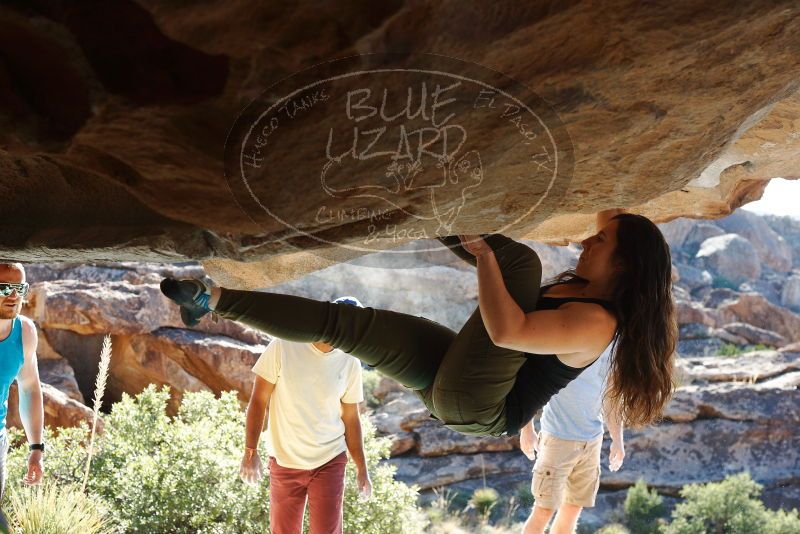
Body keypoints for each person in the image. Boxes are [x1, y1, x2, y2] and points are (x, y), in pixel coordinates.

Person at [161, 208, 676, 438]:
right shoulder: (584, 293)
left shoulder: (597, 323)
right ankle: (211, 299)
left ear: (626, 265)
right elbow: (615, 211)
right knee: (347, 325)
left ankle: (433, 204)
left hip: (480, 405)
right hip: (459, 385)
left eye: (600, 242)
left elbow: (507, 333)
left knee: (520, 264)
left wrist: (485, 257)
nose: (587, 241)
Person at [238, 296, 372, 534]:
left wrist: (362, 468)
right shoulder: (284, 345)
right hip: (285, 460)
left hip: (329, 459)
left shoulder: (350, 360)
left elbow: (351, 418)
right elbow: (259, 401)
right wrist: (251, 451)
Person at [520, 340, 624, 534]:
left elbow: (612, 396)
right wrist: (527, 429)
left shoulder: (615, 341)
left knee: (573, 508)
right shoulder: (569, 332)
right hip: (557, 440)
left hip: (592, 441)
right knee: (543, 510)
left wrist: (618, 440)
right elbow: (530, 379)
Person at [0, 263, 45, 499]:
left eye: (19, 288)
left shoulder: (24, 332)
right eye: (4, 288)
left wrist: (36, 448)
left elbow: (29, 388)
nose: (14, 296)